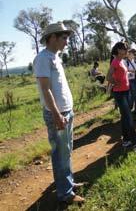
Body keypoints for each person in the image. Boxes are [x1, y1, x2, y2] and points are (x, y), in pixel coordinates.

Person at [33, 22, 85, 204]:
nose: (67, 41)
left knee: (67, 151)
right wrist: (56, 114)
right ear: (52, 37)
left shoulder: (56, 57)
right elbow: (45, 89)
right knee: (60, 153)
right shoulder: (43, 58)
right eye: (64, 37)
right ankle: (65, 194)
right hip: (57, 114)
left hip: (66, 111)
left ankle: (68, 184)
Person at [109, 42, 136, 152]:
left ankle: (126, 140)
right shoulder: (115, 61)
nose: (126, 50)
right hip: (119, 93)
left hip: (126, 91)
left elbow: (124, 72)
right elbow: (108, 77)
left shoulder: (122, 61)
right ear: (119, 50)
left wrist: (131, 71)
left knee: (125, 116)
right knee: (129, 117)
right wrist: (117, 83)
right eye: (124, 49)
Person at [125, 48, 136, 116]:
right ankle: (129, 110)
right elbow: (125, 71)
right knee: (133, 95)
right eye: (130, 53)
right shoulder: (125, 62)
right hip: (130, 80)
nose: (131, 54)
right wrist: (132, 71)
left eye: (132, 53)